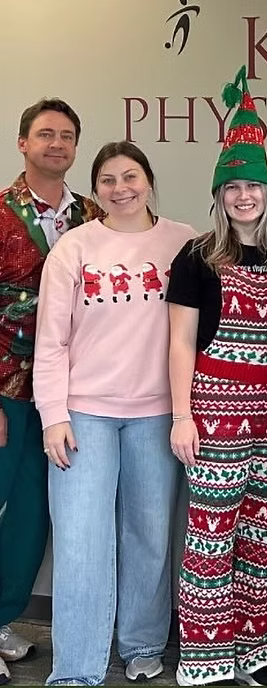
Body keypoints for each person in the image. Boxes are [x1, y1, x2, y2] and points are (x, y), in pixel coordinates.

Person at [33, 141, 197, 686]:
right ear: (95, 189)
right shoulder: (74, 247)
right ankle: (76, 668)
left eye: (130, 176)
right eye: (107, 180)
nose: (120, 188)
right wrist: (53, 415)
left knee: (149, 534)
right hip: (83, 414)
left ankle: (143, 644)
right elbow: (51, 341)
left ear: (148, 180)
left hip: (158, 414)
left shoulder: (186, 242)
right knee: (80, 542)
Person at [168, 66, 267, 688]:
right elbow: (179, 342)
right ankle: (205, 658)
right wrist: (182, 417)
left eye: (254, 186)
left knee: (261, 536)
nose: (244, 197)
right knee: (211, 538)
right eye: (233, 187)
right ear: (219, 195)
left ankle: (255, 649)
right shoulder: (197, 256)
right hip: (215, 418)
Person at [0, 99, 101, 686]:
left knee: (33, 516)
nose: (56, 144)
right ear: (23, 143)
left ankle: (2, 618)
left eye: (66, 135)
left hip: (69, 393)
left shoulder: (94, 213)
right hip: (7, 387)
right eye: (45, 134)